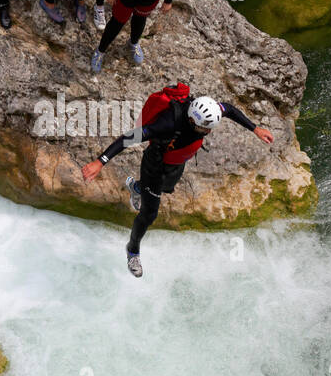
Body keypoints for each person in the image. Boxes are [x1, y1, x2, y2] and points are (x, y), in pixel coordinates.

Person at [80, 85, 273, 278]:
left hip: (177, 162)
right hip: (155, 165)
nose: (207, 132)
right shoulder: (167, 124)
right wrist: (100, 162)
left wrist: (255, 129)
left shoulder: (207, 111)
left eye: (209, 128)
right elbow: (129, 138)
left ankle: (137, 187)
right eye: (203, 128)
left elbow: (229, 109)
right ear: (191, 120)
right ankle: (132, 251)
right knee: (149, 214)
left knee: (166, 188)